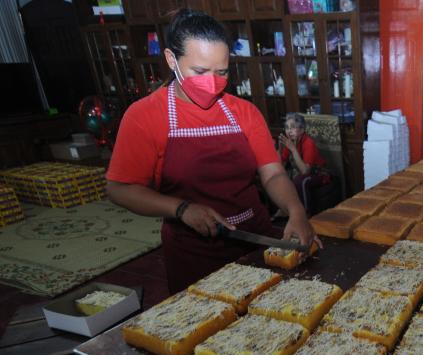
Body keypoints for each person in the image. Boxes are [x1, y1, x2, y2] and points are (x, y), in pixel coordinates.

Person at [105, 9, 319, 293]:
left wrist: (296, 210)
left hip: (254, 237)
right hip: (193, 251)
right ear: (172, 60)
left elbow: (272, 174)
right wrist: (180, 208)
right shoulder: (145, 116)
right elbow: (119, 188)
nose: (212, 81)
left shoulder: (244, 112)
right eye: (200, 71)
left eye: (221, 72)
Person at [278, 113, 331, 210]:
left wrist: (293, 149)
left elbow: (305, 171)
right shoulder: (289, 142)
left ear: (302, 130)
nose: (289, 131)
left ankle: (306, 214)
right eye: (287, 128)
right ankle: (286, 210)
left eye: (293, 127)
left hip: (318, 173)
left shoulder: (308, 142)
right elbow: (280, 165)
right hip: (298, 172)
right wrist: (280, 149)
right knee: (280, 178)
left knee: (300, 181)